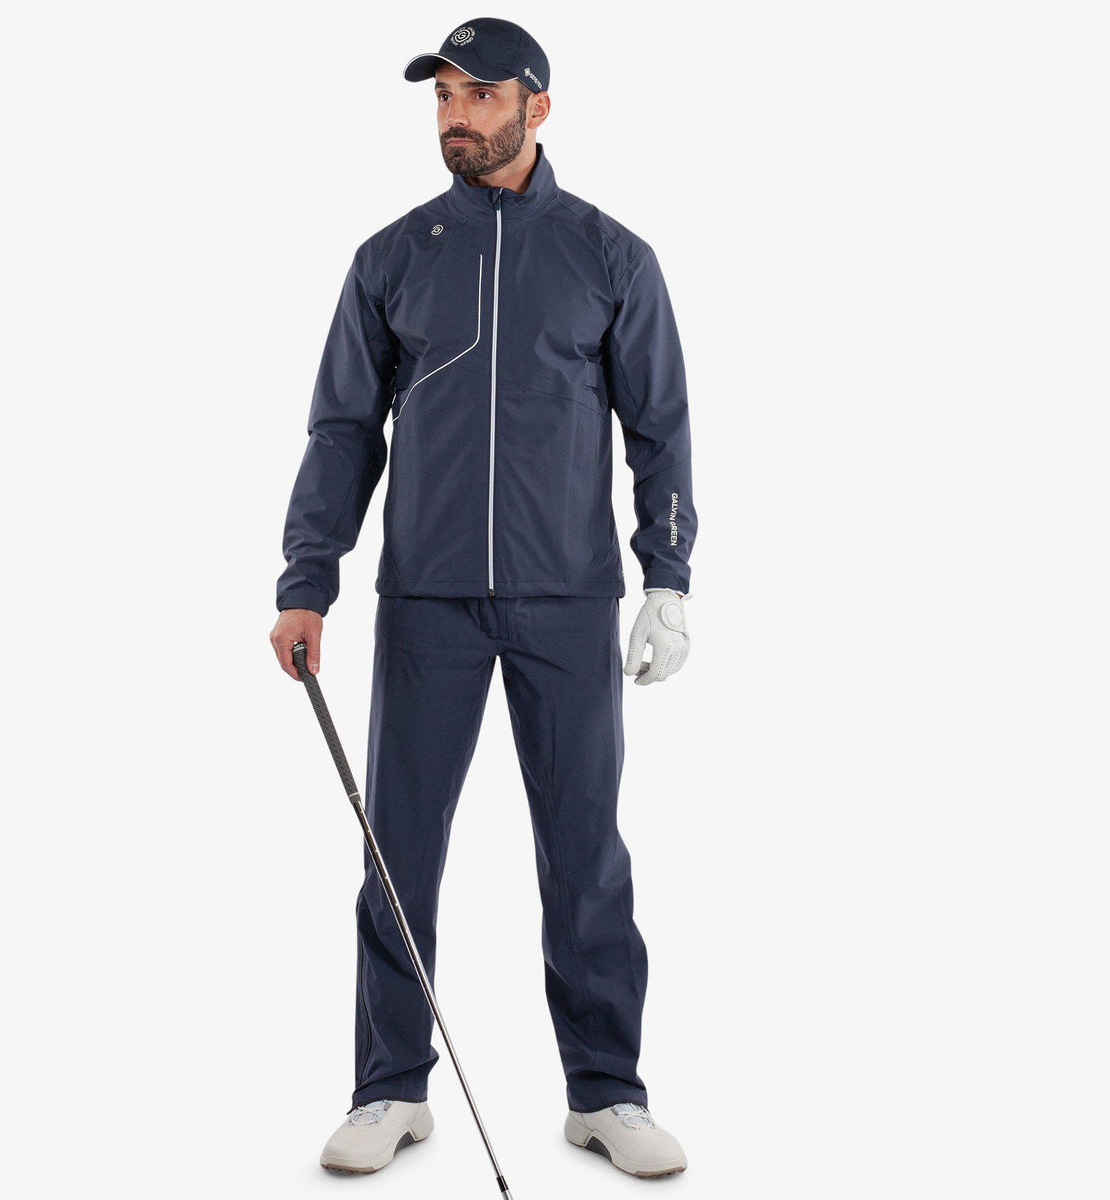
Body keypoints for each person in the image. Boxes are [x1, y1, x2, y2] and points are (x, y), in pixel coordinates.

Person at [269, 17, 697, 1180]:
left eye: (480, 95)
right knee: (397, 851)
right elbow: (341, 433)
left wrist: (667, 577)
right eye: (443, 95)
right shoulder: (391, 258)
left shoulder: (611, 256)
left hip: (568, 600)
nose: (456, 115)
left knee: (585, 852)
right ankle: (389, 1088)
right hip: (428, 601)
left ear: (536, 108)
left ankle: (606, 1092)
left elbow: (660, 429)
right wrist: (308, 583)